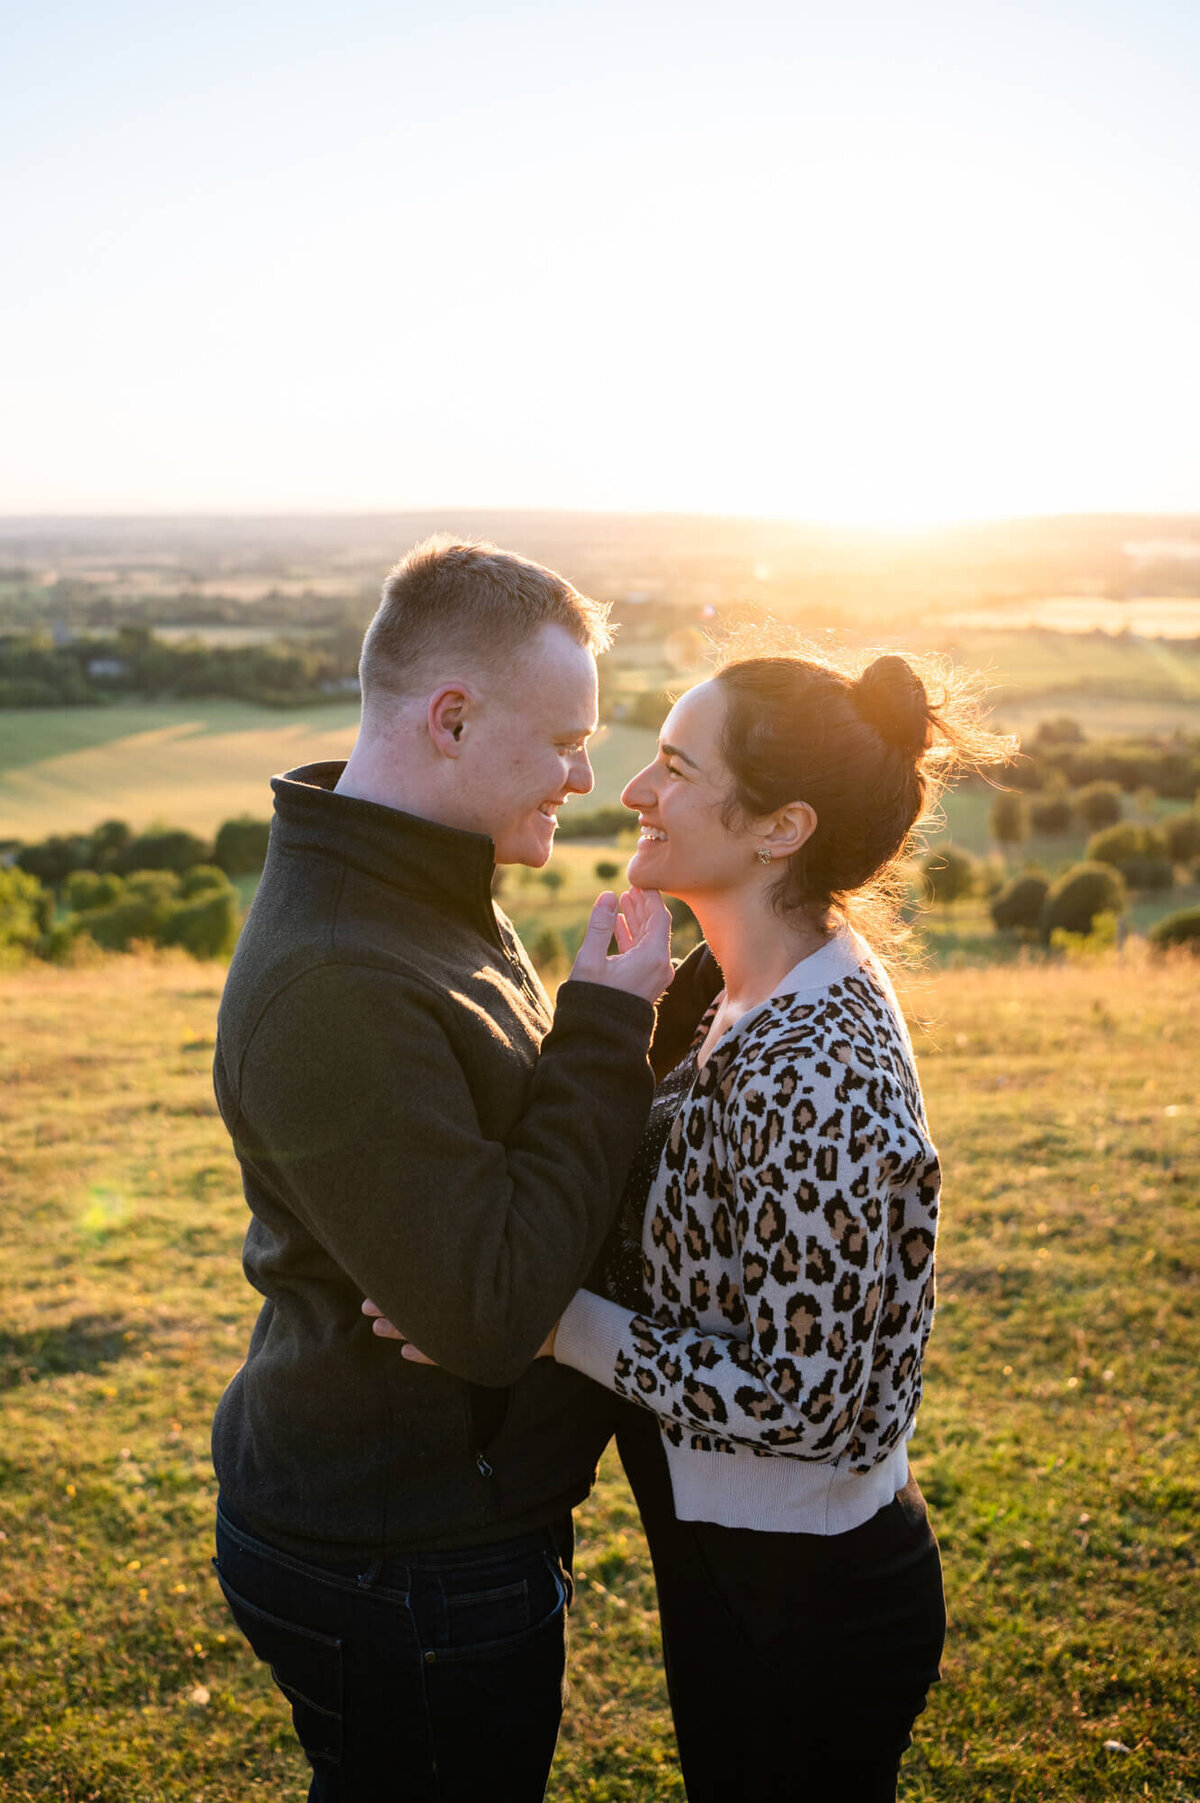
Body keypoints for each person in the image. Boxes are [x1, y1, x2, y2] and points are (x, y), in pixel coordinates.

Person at [376, 641, 1004, 1802]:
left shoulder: (823, 1069)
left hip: (805, 1597)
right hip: (739, 1564)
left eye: (674, 765)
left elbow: (802, 1400)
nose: (632, 793)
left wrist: (541, 1322)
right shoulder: (738, 990)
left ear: (781, 828)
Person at [209, 536, 675, 1801]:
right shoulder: (336, 980)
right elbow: (483, 1316)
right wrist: (604, 1025)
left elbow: (509, 1183)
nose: (590, 776)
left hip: (436, 1522)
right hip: (397, 1551)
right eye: (568, 740)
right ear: (453, 721)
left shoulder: (421, 892)